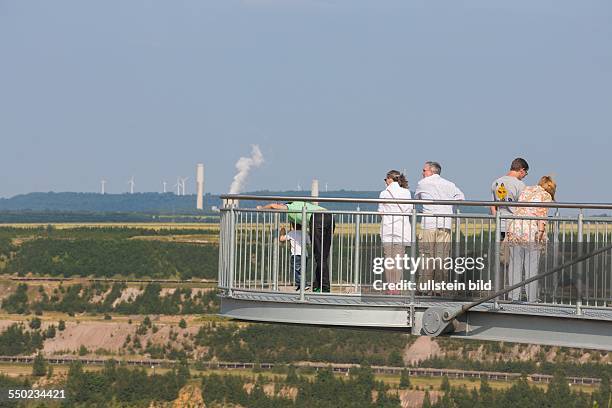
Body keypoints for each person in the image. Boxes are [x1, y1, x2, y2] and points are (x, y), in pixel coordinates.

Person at [257, 201, 335, 292]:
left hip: (317, 218)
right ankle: (318, 285)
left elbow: (273, 206)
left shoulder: (291, 206)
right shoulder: (302, 204)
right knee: (323, 256)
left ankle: (324, 287)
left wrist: (261, 208)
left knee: (319, 256)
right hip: (330, 216)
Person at [415, 161, 465, 295]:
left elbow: (417, 198)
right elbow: (461, 197)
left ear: (431, 171)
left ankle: (424, 288)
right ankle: (439, 288)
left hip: (429, 224)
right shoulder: (449, 184)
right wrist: (448, 207)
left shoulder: (422, 183)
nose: (422, 172)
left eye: (424, 170)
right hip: (445, 224)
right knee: (442, 259)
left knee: (427, 257)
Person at [505, 176, 556, 302]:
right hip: (531, 232)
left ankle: (513, 297)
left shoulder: (526, 189)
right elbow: (541, 215)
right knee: (531, 267)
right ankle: (531, 299)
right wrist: (541, 232)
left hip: (516, 229)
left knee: (515, 265)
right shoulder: (545, 195)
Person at [378, 170, 413, 295]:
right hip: (401, 229)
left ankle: (390, 286)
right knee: (398, 259)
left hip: (387, 228)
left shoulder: (384, 193)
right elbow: (408, 210)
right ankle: (396, 287)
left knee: (388, 259)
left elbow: (381, 212)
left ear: (389, 179)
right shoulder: (406, 192)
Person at [490, 158, 529, 240]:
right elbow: (523, 208)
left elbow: (493, 206)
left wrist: (497, 221)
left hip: (500, 226)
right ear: (522, 170)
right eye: (526, 173)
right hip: (514, 227)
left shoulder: (496, 182)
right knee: (514, 252)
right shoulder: (520, 185)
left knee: (501, 252)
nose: (524, 176)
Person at [279, 223, 310, 291]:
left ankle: (303, 284)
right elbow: (309, 242)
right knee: (302, 271)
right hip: (305, 254)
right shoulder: (305, 233)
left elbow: (281, 239)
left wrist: (282, 230)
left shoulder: (292, 233)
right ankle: (300, 286)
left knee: (295, 271)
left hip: (296, 254)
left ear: (293, 226)